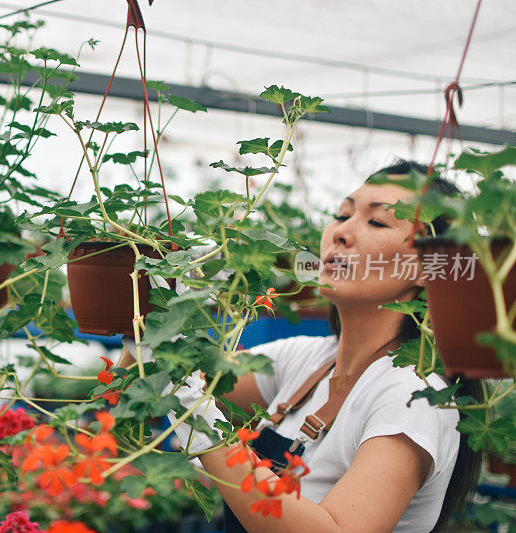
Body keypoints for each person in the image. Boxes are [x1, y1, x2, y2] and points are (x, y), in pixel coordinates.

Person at [122, 160, 481, 532]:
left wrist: (192, 405)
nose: (341, 233)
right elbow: (139, 386)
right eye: (342, 214)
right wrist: (162, 300)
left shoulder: (413, 394)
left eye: (376, 222)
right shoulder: (306, 358)